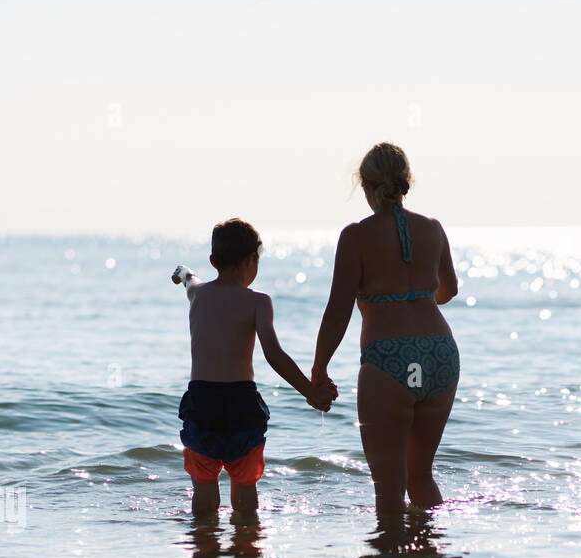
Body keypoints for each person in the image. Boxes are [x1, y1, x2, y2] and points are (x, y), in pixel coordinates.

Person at [311, 144, 459, 514]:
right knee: (420, 476)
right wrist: (412, 292)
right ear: (406, 182)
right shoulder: (433, 228)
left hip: (390, 360)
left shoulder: (356, 236)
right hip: (439, 354)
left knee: (388, 489)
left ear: (365, 186)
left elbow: (338, 311)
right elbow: (448, 291)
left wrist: (318, 369)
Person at [172, 218, 336, 516]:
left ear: (213, 260)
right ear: (252, 260)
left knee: (204, 483)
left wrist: (182, 272)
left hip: (203, 401)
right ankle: (246, 548)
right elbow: (274, 355)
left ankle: (204, 551)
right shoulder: (258, 302)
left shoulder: (198, 294)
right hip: (241, 402)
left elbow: (188, 278)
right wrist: (310, 392)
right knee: (245, 483)